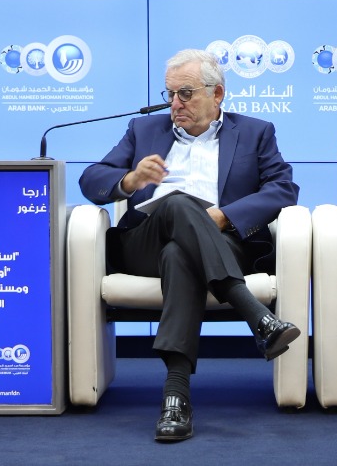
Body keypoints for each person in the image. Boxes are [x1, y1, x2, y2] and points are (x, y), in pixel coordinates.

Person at [79, 49, 301, 443]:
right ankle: (256, 314)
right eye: (170, 94)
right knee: (177, 203)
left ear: (217, 94)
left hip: (223, 244)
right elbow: (92, 179)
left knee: (179, 254)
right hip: (145, 243)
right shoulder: (143, 130)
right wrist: (130, 180)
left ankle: (176, 397)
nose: (175, 104)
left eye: (185, 93)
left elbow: (283, 188)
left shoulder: (255, 132)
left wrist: (225, 216)